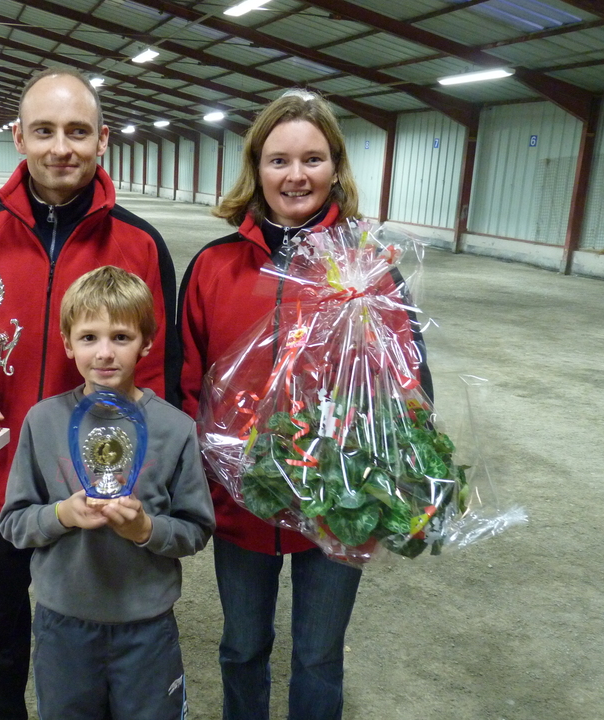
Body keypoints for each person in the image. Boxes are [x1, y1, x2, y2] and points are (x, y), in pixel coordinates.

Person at [0, 67, 179, 720]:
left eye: (77, 131)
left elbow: (160, 371)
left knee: (87, 647)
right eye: (44, 131)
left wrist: (140, 483)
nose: (61, 146)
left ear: (103, 140)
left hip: (91, 490)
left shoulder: (140, 244)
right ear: (18, 138)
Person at [177, 90, 432, 720]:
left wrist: (393, 492)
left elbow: (409, 386)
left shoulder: (370, 267)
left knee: (319, 654)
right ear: (256, 168)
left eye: (312, 159)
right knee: (241, 647)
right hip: (242, 504)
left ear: (335, 166)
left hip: (339, 503)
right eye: (279, 160)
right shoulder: (215, 266)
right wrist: (204, 485)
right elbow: (184, 383)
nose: (296, 175)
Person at [0, 265, 214, 720]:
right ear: (67, 342)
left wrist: (144, 528)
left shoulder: (174, 429)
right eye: (89, 337)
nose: (104, 353)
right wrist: (62, 515)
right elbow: (14, 522)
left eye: (121, 337)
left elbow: (195, 530)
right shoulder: (43, 421)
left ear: (148, 343)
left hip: (146, 626)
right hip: (64, 624)